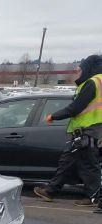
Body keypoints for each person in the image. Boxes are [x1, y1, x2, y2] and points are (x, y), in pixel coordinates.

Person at [33, 54, 102, 212]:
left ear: (89, 68)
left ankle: (91, 196)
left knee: (87, 165)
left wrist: (53, 116)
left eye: (81, 68)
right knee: (74, 161)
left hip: (87, 130)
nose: (79, 71)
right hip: (94, 131)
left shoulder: (93, 83)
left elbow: (76, 108)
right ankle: (52, 191)